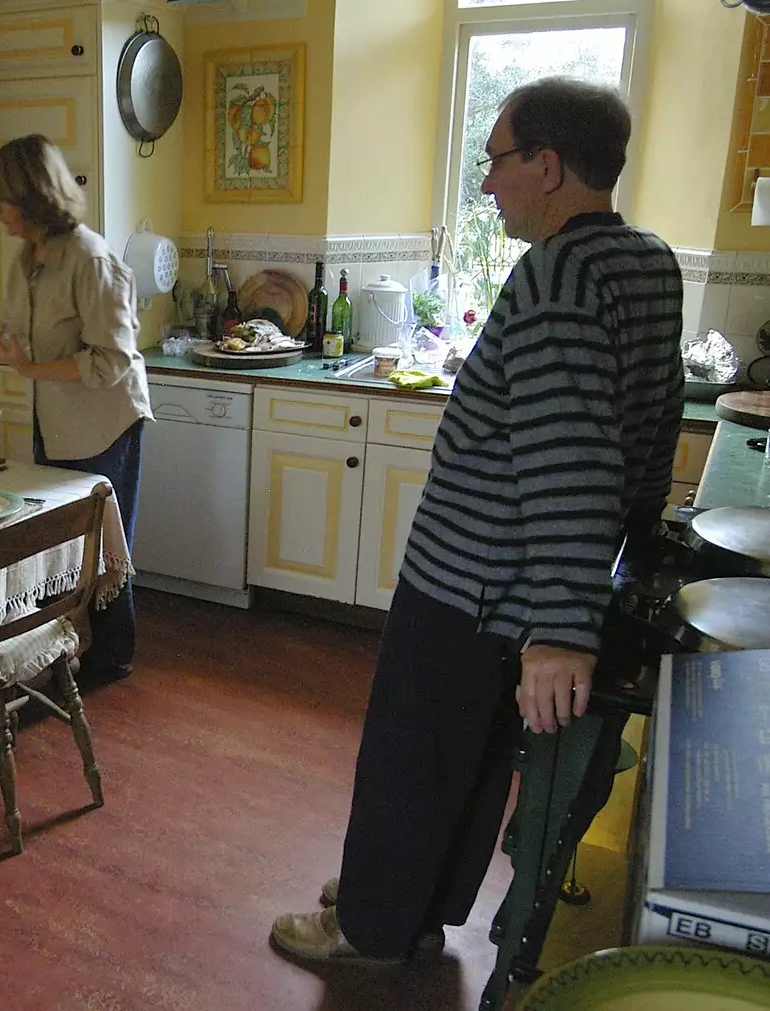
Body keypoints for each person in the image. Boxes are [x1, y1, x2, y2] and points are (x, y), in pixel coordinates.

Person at [270, 77, 684, 963]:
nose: (488, 183)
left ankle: (371, 928)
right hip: (522, 588)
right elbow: (652, 426)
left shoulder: (556, 277)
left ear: (548, 164)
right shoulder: (646, 259)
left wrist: (561, 632)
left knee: (409, 759)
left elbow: (568, 456)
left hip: (473, 583)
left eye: (496, 161)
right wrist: (626, 551)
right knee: (467, 763)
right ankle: (414, 901)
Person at [0, 134, 152, 688]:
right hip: (57, 419)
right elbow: (13, 334)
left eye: (1, 201)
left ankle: (111, 656)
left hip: (106, 424)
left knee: (99, 545)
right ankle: (62, 647)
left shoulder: (90, 260)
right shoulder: (30, 259)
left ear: (32, 196)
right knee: (64, 542)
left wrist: (32, 370)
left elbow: (112, 360)